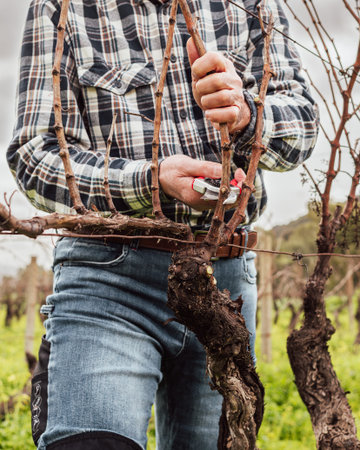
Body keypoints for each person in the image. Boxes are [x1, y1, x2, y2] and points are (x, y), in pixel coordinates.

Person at [7, 0, 318, 449]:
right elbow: (35, 154)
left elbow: (304, 127)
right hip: (107, 279)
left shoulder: (251, 4)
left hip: (225, 285)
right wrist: (149, 180)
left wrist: (248, 114)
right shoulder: (63, 7)